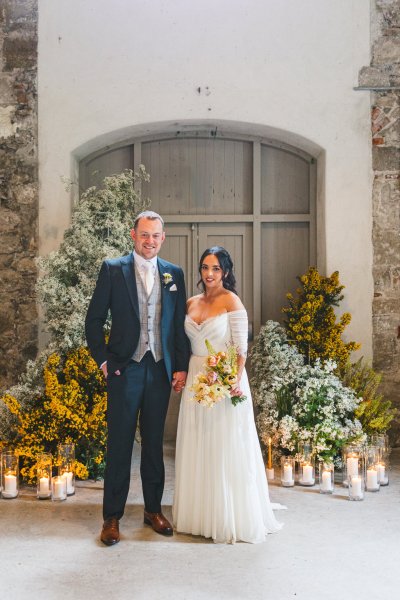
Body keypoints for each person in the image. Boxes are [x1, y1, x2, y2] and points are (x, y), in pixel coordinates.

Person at [85, 210, 190, 546]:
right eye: (144, 234)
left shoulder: (173, 273)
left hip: (159, 369)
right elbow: (94, 319)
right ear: (133, 235)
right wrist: (104, 362)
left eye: (156, 235)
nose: (150, 241)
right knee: (119, 445)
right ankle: (112, 517)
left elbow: (177, 325)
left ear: (163, 236)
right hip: (124, 369)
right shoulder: (113, 269)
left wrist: (180, 366)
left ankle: (153, 509)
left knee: (154, 445)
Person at [173, 246, 284, 544]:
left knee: (223, 444)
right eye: (205, 268)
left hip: (223, 378)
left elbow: (240, 348)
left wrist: (231, 380)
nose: (209, 274)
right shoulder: (190, 302)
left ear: (226, 272)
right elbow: (182, 343)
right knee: (198, 441)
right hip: (197, 376)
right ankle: (198, 514)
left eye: (216, 269)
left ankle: (226, 515)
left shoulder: (231, 301)